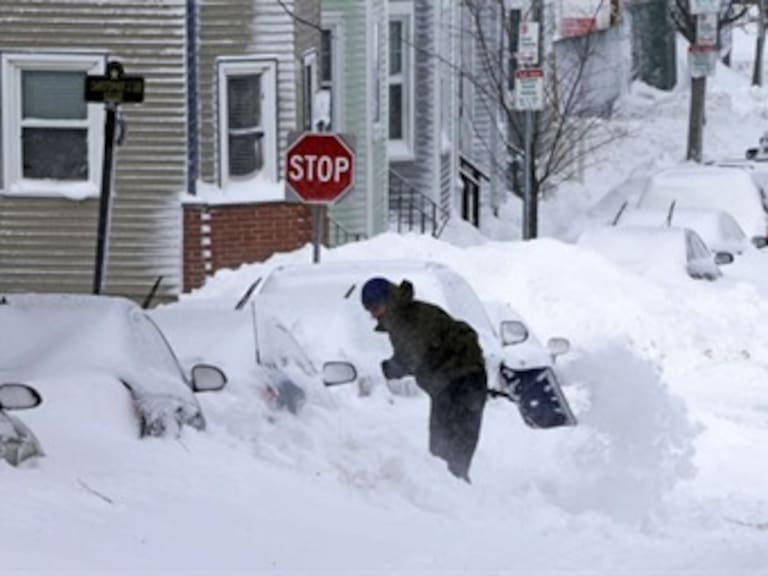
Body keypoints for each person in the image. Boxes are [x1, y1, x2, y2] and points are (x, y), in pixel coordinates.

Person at [360, 276, 488, 482]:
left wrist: (392, 368)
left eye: (375, 308)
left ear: (388, 300)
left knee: (454, 453)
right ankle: (450, 495)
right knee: (440, 452)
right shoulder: (402, 317)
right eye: (370, 311)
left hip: (464, 381)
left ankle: (460, 503)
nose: (374, 315)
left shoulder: (410, 319)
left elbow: (413, 357)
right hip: (449, 385)